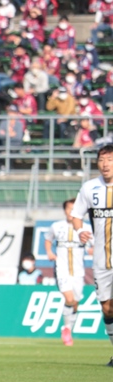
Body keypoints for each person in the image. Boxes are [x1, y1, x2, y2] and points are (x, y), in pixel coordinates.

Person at [71, 144, 113, 366]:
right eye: (102, 160)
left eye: (110, 160)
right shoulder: (89, 188)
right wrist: (80, 231)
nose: (105, 165)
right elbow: (76, 215)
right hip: (101, 258)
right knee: (107, 307)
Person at [45, 199, 93, 347]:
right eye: (69, 209)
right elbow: (48, 239)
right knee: (69, 299)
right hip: (62, 269)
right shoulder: (57, 226)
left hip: (78, 271)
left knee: (75, 303)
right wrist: (49, 252)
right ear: (64, 210)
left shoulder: (86, 228)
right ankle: (66, 330)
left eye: (75, 209)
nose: (71, 212)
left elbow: (93, 246)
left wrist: (93, 250)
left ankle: (68, 329)